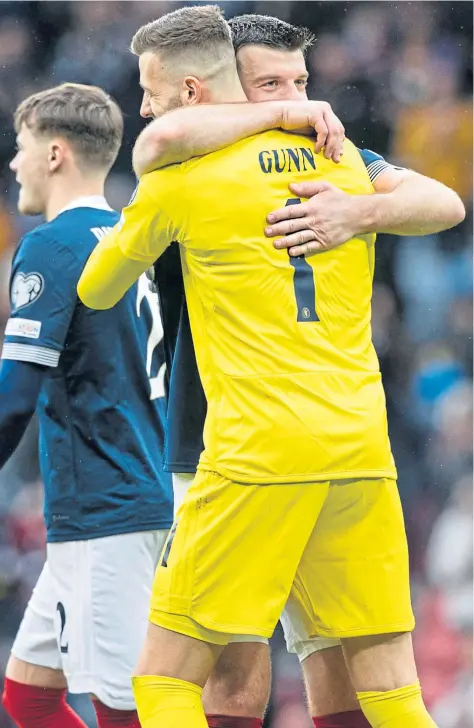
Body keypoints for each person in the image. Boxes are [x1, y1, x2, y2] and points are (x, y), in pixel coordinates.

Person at [78, 6, 449, 728]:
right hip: (335, 440)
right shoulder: (329, 157)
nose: (298, 99)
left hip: (248, 448)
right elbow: (167, 131)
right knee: (323, 679)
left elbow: (444, 200)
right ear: (226, 90)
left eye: (303, 81)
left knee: (201, 674)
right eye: (274, 84)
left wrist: (359, 213)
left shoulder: (222, 174)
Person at [0, 83, 173, 728]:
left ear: (53, 153)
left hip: (106, 511)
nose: (13, 164)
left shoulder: (52, 246)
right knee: (29, 697)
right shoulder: (136, 240)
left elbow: (15, 395)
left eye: (19, 149)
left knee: (123, 712)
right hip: (127, 493)